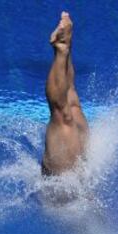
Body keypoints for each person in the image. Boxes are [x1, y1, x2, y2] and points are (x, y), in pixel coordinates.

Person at [42, 12, 88, 176]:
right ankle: (64, 47)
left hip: (67, 181)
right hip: (74, 176)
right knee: (71, 107)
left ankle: (64, 47)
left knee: (66, 112)